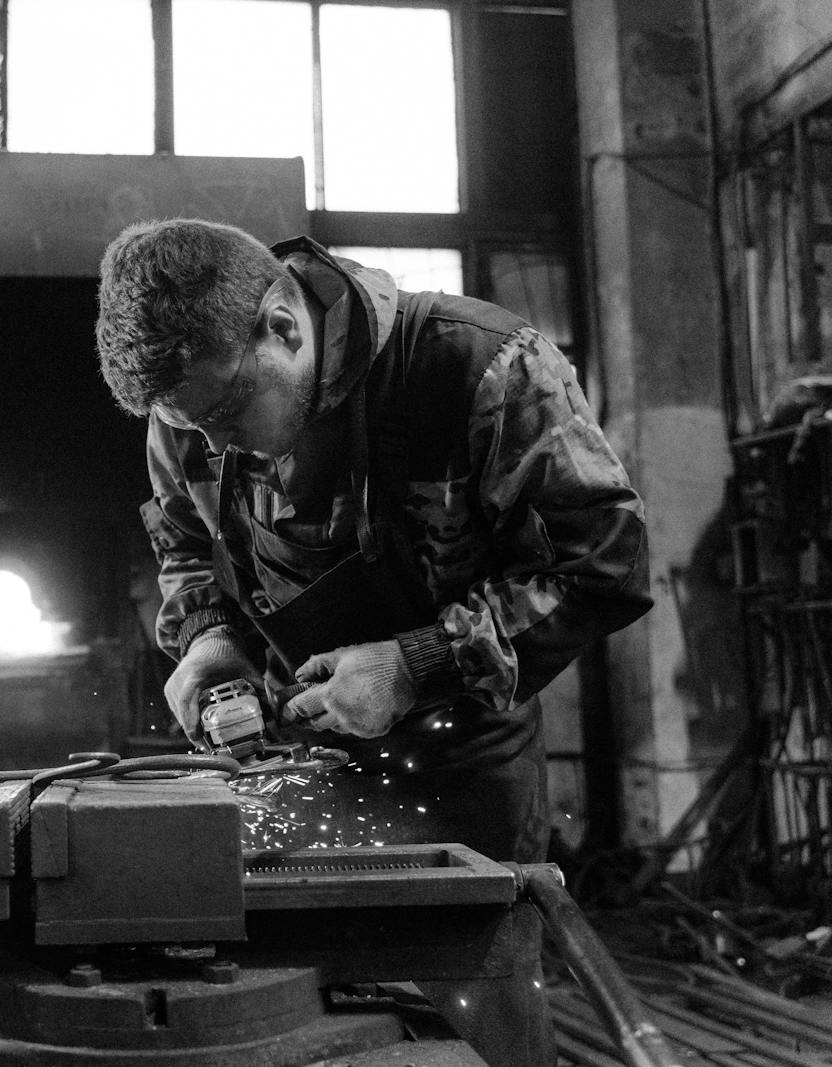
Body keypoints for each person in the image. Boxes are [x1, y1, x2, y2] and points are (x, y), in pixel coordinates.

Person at [95, 218, 652, 1066]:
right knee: (298, 1024)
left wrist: (417, 664)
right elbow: (182, 547)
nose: (211, 444)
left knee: (476, 1029)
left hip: (461, 766)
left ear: (283, 326)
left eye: (225, 412)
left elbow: (603, 565)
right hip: (291, 765)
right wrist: (209, 642)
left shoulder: (482, 369)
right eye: (190, 425)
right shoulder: (190, 409)